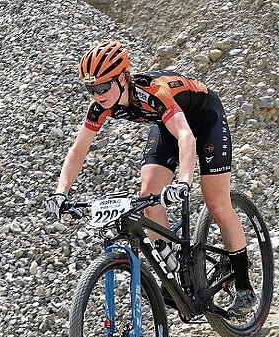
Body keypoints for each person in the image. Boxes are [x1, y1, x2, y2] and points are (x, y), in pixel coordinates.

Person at [45, 40, 255, 316]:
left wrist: (183, 182)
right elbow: (79, 149)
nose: (97, 95)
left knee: (216, 202)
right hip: (167, 125)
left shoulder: (154, 93)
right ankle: (174, 272)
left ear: (122, 78)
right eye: (90, 89)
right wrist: (61, 192)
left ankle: (244, 285)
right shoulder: (101, 106)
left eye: (103, 87)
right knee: (148, 196)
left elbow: (186, 136)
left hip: (203, 119)